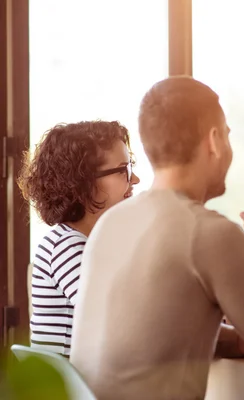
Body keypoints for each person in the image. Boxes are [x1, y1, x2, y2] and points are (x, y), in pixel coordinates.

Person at [70, 77, 244, 400]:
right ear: (215, 141)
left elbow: (158, 331)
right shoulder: (210, 233)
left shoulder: (111, 223)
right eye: (228, 135)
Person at [17, 120, 140, 358]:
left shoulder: (85, 243)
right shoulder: (66, 246)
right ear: (84, 183)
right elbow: (117, 316)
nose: (135, 180)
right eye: (124, 169)